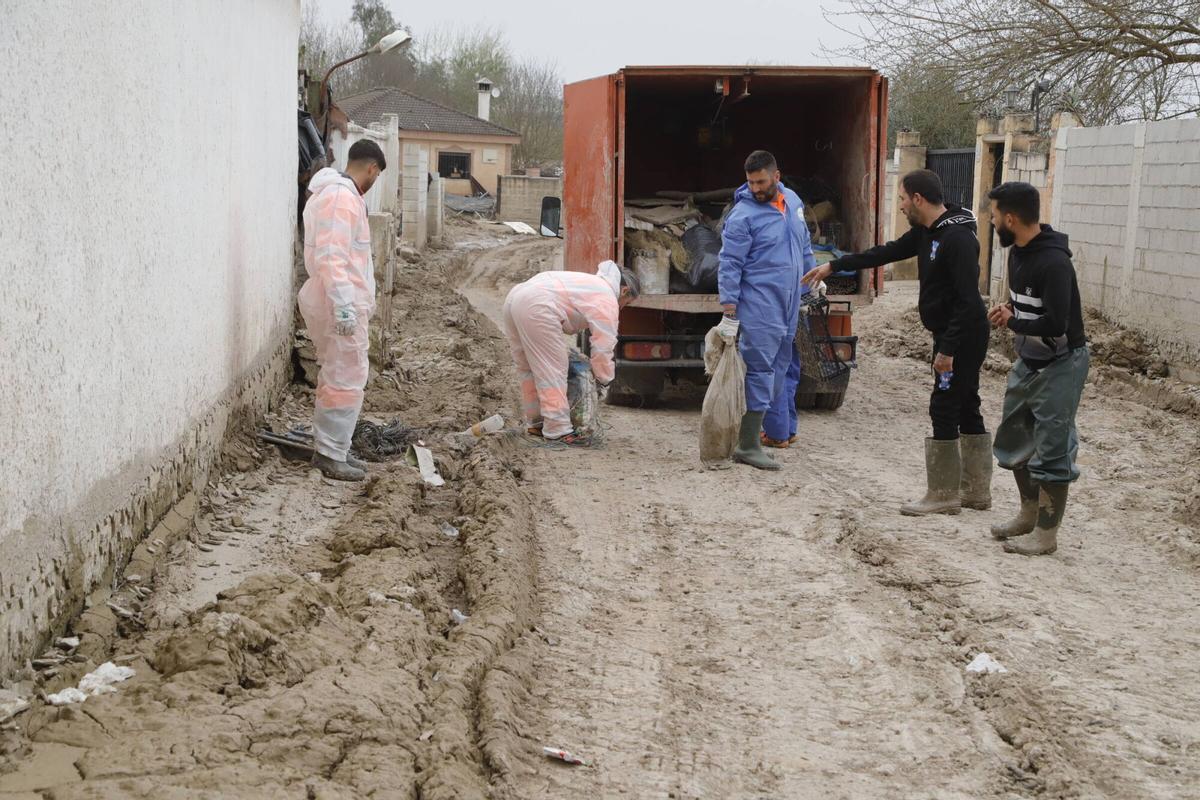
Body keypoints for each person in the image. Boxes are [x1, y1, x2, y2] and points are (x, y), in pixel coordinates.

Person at [803, 169, 991, 515]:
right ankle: (976, 492)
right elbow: (885, 253)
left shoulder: (958, 240)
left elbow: (968, 301)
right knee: (966, 404)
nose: (901, 206)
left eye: (902, 198)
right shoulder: (927, 232)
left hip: (962, 335)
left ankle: (944, 494)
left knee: (945, 406)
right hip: (953, 333)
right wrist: (835, 266)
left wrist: (947, 350)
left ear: (918, 199)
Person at [986, 182, 1088, 556]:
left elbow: (1057, 323)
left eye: (994, 215)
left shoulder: (1054, 263)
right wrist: (1008, 312)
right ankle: (1028, 514)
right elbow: (1025, 307)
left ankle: (1046, 533)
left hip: (1061, 363)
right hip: (1029, 360)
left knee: (1052, 447)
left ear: (1010, 218)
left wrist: (1014, 323)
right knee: (1013, 439)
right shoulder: (1017, 253)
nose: (991, 221)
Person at [719, 150, 816, 470]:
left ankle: (759, 434)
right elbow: (730, 264)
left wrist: (812, 280)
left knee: (780, 368)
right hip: (760, 305)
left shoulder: (792, 202)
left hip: (788, 303)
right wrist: (729, 311)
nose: (755, 189)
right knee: (760, 371)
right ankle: (747, 444)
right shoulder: (743, 216)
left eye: (761, 182)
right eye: (750, 183)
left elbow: (803, 246)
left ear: (777, 176)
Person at [298, 139, 387, 481]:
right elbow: (333, 257)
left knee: (341, 373)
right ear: (372, 169)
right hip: (339, 305)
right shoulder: (341, 199)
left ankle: (335, 447)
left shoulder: (335, 195)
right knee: (344, 376)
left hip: (338, 301)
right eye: (376, 175)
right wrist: (345, 307)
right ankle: (331, 453)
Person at [503, 260, 640, 444]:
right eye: (626, 303)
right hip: (538, 304)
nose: (622, 308)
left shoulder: (590, 284)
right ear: (624, 291)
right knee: (553, 370)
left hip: (516, 297)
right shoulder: (607, 296)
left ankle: (537, 422)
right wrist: (604, 379)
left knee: (528, 367)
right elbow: (603, 346)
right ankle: (558, 429)